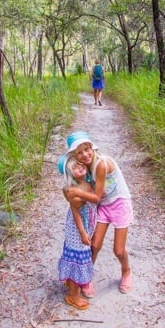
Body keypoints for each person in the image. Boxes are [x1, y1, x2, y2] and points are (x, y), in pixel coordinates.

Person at [63, 131, 133, 294]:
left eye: (87, 149)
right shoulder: (82, 167)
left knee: (119, 250)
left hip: (120, 204)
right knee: (94, 245)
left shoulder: (101, 164)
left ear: (92, 148)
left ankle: (126, 271)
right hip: (104, 205)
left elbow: (95, 197)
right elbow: (74, 189)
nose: (85, 155)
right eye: (79, 152)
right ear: (75, 155)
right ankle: (85, 277)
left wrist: (77, 193)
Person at [57, 154, 96, 310]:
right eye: (74, 167)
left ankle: (72, 282)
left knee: (81, 255)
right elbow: (76, 212)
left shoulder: (87, 182)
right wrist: (82, 233)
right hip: (77, 228)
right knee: (78, 258)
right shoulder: (72, 190)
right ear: (69, 173)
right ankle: (73, 295)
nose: (80, 167)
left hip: (87, 226)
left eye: (80, 164)